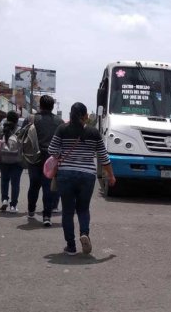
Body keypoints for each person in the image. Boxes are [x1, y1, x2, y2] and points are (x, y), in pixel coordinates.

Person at [48, 102, 115, 255]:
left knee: (68, 211)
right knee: (83, 209)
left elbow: (51, 150)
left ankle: (70, 246)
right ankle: (84, 233)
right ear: (85, 116)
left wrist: (60, 154)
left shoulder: (62, 129)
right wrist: (111, 176)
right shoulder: (93, 132)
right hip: (87, 176)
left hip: (66, 175)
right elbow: (104, 157)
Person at [22, 95, 64, 226]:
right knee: (48, 187)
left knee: (34, 185)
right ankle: (47, 216)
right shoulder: (59, 121)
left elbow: (22, 136)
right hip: (51, 158)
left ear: (40, 105)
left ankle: (31, 211)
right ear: (52, 106)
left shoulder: (30, 118)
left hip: (34, 157)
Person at [0, 111, 23, 213]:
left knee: (4, 181)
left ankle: (4, 200)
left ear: (7, 118)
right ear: (17, 120)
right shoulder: (20, 131)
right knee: (15, 183)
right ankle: (13, 206)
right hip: (17, 161)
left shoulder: (1, 130)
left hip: (4, 159)